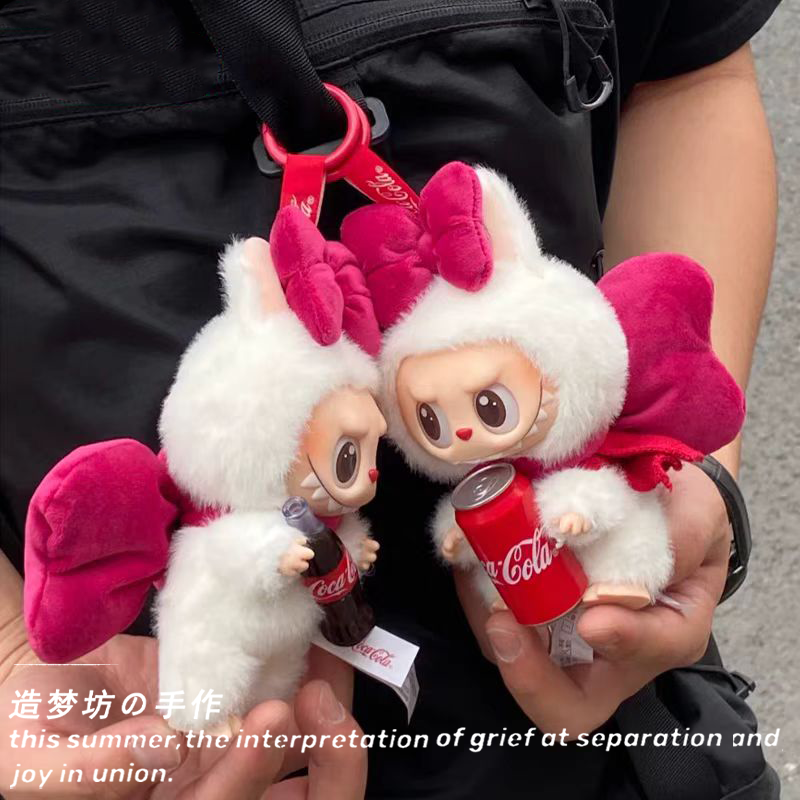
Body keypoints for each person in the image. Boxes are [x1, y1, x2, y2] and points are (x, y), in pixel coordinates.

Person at [0, 0, 780, 797]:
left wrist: (681, 472)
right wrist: (5, 651)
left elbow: (686, 74)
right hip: (126, 729)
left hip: (617, 741)